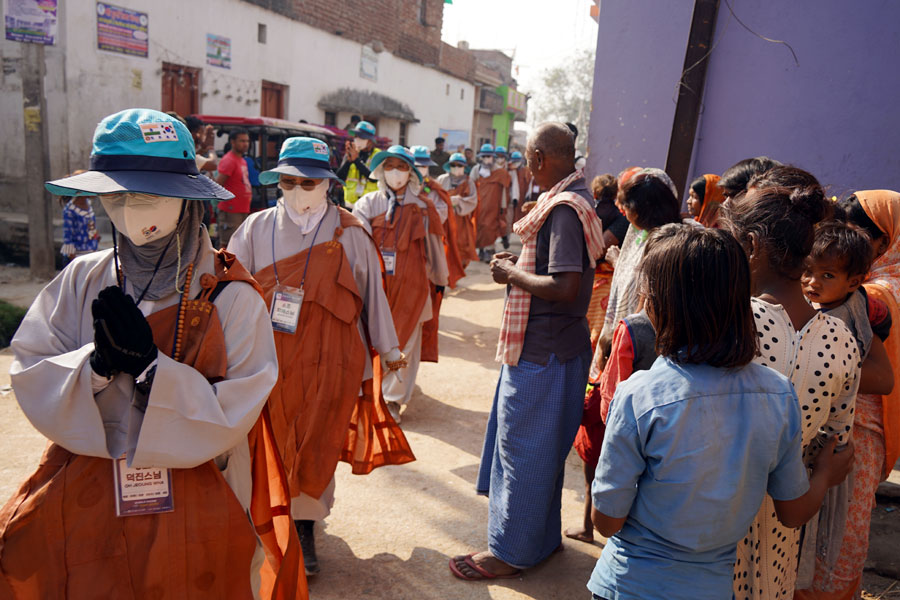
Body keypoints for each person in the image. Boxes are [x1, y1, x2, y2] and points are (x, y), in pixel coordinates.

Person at [0, 108, 304, 598]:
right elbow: (32, 363)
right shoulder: (83, 277)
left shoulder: (233, 294)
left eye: (145, 196)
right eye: (114, 196)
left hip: (200, 481)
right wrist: (92, 369)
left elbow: (241, 405)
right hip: (93, 471)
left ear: (187, 199)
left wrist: (150, 373)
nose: (127, 212)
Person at [587, 224, 856, 600]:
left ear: (657, 305)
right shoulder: (777, 395)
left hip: (629, 584)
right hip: (713, 587)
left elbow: (607, 521)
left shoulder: (640, 396)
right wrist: (825, 474)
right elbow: (793, 513)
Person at [227, 136, 415, 577]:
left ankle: (306, 525)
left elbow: (372, 294)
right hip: (267, 354)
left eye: (308, 182)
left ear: (326, 183)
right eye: (288, 181)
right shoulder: (255, 228)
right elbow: (230, 287)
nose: (298, 190)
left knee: (317, 437)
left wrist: (389, 349)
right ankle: (262, 518)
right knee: (265, 437)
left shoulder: (350, 231)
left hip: (332, 356)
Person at [448, 122, 604, 581]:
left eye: (527, 159)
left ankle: (511, 553)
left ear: (537, 159)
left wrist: (510, 274)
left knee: (525, 453)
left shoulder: (562, 209)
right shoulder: (578, 200)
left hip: (544, 353)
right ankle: (539, 541)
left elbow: (563, 285)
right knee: (543, 451)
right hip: (556, 349)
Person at [722, 182, 861, 600]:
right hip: (783, 536)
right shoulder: (841, 343)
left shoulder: (728, 321)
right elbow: (838, 448)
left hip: (710, 528)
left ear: (750, 245)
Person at [794, 191, 900, 599]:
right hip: (867, 429)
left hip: (853, 428)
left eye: (854, 232)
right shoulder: (872, 289)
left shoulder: (870, 297)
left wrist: (819, 361)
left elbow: (881, 376)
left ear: (882, 244)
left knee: (832, 539)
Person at [352, 145, 449, 424]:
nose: (396, 172)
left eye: (402, 166)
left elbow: (434, 248)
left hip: (413, 289)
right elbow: (360, 246)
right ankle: (372, 392)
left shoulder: (423, 207)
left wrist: (440, 281)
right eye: (390, 166)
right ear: (382, 171)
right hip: (375, 288)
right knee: (373, 340)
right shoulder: (368, 204)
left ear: (412, 173)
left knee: (403, 344)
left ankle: (393, 400)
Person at [592, 168, 681, 374]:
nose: (622, 211)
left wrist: (622, 334)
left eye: (625, 206)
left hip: (648, 342)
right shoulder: (640, 235)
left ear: (641, 210)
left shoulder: (664, 243)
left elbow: (644, 292)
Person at [410, 145, 465, 363]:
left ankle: (399, 383)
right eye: (416, 164)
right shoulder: (386, 196)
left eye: (423, 165)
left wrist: (423, 205)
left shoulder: (434, 190)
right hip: (394, 268)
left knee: (418, 319)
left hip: (425, 257)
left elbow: (438, 222)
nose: (419, 169)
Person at [470, 143, 512, 263]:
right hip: (478, 204)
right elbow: (470, 187)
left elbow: (504, 190)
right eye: (485, 156)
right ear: (481, 157)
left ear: (493, 157)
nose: (487, 159)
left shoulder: (500, 172)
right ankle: (481, 250)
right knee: (478, 227)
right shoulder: (475, 170)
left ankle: (489, 250)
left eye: (489, 156)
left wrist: (503, 206)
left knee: (490, 227)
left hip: (494, 205)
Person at [437, 152, 479, 268]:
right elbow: (435, 197)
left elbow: (473, 200)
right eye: (454, 165)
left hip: (461, 219)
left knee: (460, 244)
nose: (456, 168)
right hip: (444, 218)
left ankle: (458, 268)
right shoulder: (442, 179)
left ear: (464, 167)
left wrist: (459, 201)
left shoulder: (469, 182)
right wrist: (446, 202)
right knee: (444, 244)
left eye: (459, 165)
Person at [214, 127, 253, 246]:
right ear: (232, 142)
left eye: (247, 141)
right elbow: (218, 184)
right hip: (231, 211)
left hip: (242, 209)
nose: (245, 144)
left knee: (239, 245)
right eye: (242, 141)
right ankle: (223, 265)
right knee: (228, 245)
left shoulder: (242, 160)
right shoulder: (229, 160)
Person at [59, 170, 101, 263]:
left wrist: (95, 237)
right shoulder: (70, 210)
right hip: (78, 256)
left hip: (91, 252)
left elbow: (90, 226)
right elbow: (68, 237)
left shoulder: (88, 204)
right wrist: (74, 261)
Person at [337, 120, 380, 206]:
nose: (357, 140)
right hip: (350, 205)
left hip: (369, 206)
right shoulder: (350, 153)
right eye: (356, 136)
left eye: (362, 137)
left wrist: (356, 160)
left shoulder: (377, 155)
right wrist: (349, 161)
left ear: (370, 141)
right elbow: (340, 177)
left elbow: (374, 178)